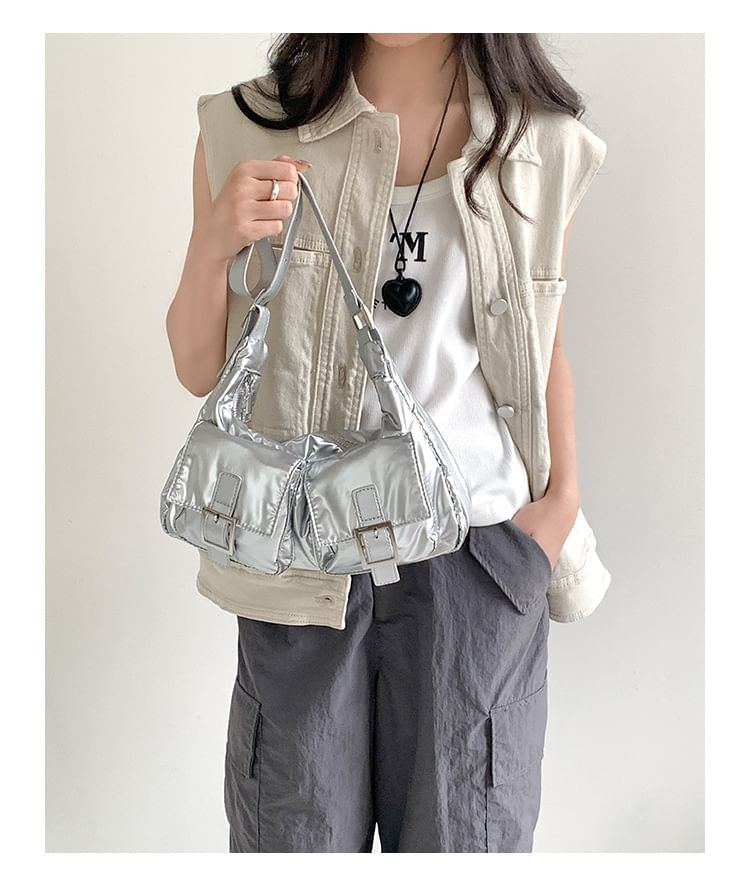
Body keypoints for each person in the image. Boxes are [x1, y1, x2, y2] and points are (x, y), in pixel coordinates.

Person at [165, 33, 611, 853]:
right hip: (304, 564)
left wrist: (559, 508)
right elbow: (199, 367)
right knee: (291, 846)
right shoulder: (247, 125)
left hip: (477, 562)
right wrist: (212, 243)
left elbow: (543, 345)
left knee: (466, 848)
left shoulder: (543, 144)